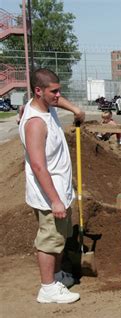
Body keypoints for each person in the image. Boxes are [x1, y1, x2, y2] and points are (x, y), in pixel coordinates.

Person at [18, 68, 85, 304]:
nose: (58, 96)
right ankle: (47, 288)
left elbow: (58, 100)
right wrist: (55, 199)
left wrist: (76, 109)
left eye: (59, 91)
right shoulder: (35, 123)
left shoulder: (45, 106)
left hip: (60, 190)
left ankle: (56, 277)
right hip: (49, 195)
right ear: (38, 91)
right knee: (49, 239)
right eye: (54, 92)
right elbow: (38, 166)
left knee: (60, 237)